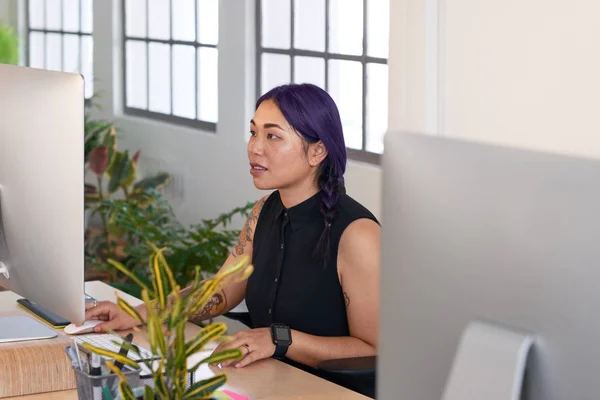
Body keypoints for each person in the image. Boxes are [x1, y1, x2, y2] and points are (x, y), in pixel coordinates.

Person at [85, 83, 380, 375]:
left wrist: (279, 340)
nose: (255, 147)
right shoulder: (263, 212)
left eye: (273, 136)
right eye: (253, 133)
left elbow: (374, 351)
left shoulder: (358, 235)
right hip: (266, 380)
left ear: (317, 152)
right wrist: (141, 313)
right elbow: (223, 290)